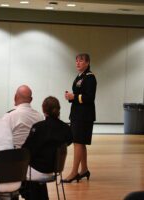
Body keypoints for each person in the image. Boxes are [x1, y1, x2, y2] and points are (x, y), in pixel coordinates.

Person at [20, 96, 72, 200]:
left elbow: (27, 150)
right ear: (58, 110)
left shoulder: (38, 127)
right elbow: (67, 143)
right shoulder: (66, 128)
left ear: (43, 110)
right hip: (55, 169)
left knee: (18, 170)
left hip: (37, 170)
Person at [63, 53, 97, 183]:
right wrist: (70, 97)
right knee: (80, 143)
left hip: (84, 115)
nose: (77, 63)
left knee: (78, 142)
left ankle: (74, 172)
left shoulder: (90, 77)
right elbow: (78, 95)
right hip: (78, 114)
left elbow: (89, 97)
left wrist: (74, 97)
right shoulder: (79, 77)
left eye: (81, 61)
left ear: (87, 63)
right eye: (76, 61)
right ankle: (84, 170)